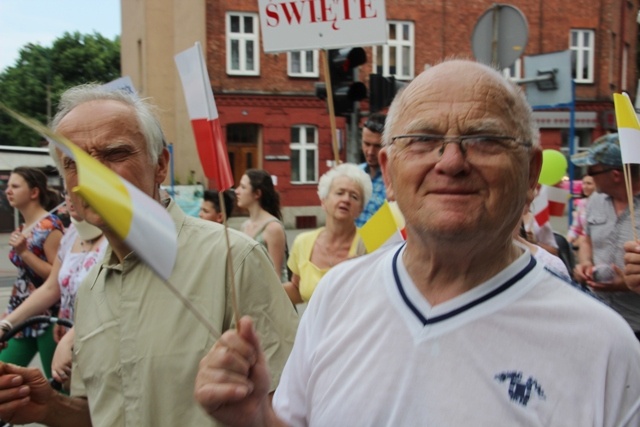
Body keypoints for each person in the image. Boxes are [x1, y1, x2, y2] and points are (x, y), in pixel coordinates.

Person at [194, 59, 640, 426]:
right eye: (423, 140)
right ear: (387, 172)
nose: (450, 161)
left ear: (529, 173)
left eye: (483, 139)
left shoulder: (605, 348)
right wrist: (253, 415)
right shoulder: (338, 295)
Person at [0, 84, 298, 427]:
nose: (93, 174)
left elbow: (289, 407)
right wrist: (50, 407)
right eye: (74, 162)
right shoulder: (91, 289)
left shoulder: (234, 259)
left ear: (160, 165)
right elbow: (104, 414)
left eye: (114, 154)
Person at [0, 190, 108, 389]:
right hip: (70, 342)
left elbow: (111, 300)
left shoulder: (114, 239)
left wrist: (70, 339)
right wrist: (6, 323)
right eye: (66, 192)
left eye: (79, 191)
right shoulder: (72, 234)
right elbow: (52, 287)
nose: (71, 198)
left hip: (101, 345)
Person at [571, 133, 640, 339]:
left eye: (592, 170)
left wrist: (625, 284)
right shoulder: (595, 200)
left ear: (616, 174)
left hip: (635, 326)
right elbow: (586, 239)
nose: (588, 176)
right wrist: (584, 262)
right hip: (597, 320)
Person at [2, 166, 64, 380]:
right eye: (8, 186)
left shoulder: (49, 226)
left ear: (34, 192)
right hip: (23, 317)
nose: (8, 191)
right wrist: (11, 314)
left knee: (58, 382)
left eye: (15, 186)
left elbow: (55, 276)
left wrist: (24, 252)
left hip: (47, 317)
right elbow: (23, 278)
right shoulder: (22, 229)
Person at [283, 164, 370, 304]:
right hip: (314, 326)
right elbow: (296, 289)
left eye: (354, 196)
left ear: (360, 209)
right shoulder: (302, 242)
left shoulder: (370, 244)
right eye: (339, 193)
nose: (346, 200)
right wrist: (265, 292)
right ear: (324, 201)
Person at [236, 169, 288, 282]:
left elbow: (275, 276)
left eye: (243, 187)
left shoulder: (273, 228)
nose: (237, 191)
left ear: (257, 194)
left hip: (267, 295)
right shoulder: (244, 226)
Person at [354, 113, 386, 227]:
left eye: (377, 146)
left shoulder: (395, 182)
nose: (370, 152)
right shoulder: (354, 174)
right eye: (366, 144)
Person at [566, 174, 595, 249]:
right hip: (582, 246)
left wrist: (581, 240)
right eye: (583, 183)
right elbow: (575, 228)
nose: (585, 186)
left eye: (589, 183)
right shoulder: (581, 203)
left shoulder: (604, 204)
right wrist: (567, 242)